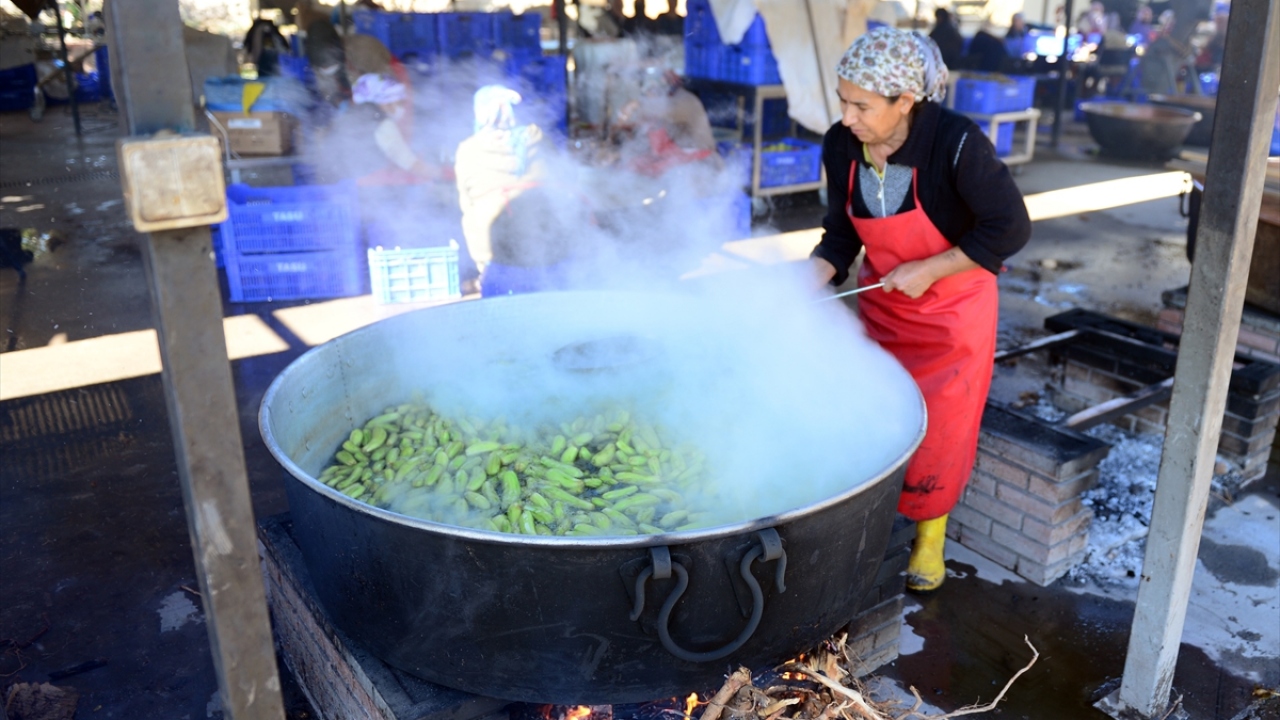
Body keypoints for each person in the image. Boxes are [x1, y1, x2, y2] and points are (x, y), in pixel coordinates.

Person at [809, 27, 1031, 593]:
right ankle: (869, 519)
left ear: (905, 101)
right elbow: (840, 234)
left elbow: (1009, 226)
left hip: (952, 316)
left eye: (862, 105)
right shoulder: (841, 145)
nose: (847, 116)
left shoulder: (955, 144)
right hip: (884, 307)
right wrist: (810, 276)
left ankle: (930, 535)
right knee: (871, 415)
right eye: (842, 100)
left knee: (941, 430)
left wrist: (931, 268)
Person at [455, 85, 563, 297]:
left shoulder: (469, 151)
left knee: (503, 325)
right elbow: (564, 181)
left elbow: (468, 211)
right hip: (553, 255)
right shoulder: (539, 139)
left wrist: (481, 261)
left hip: (499, 260)